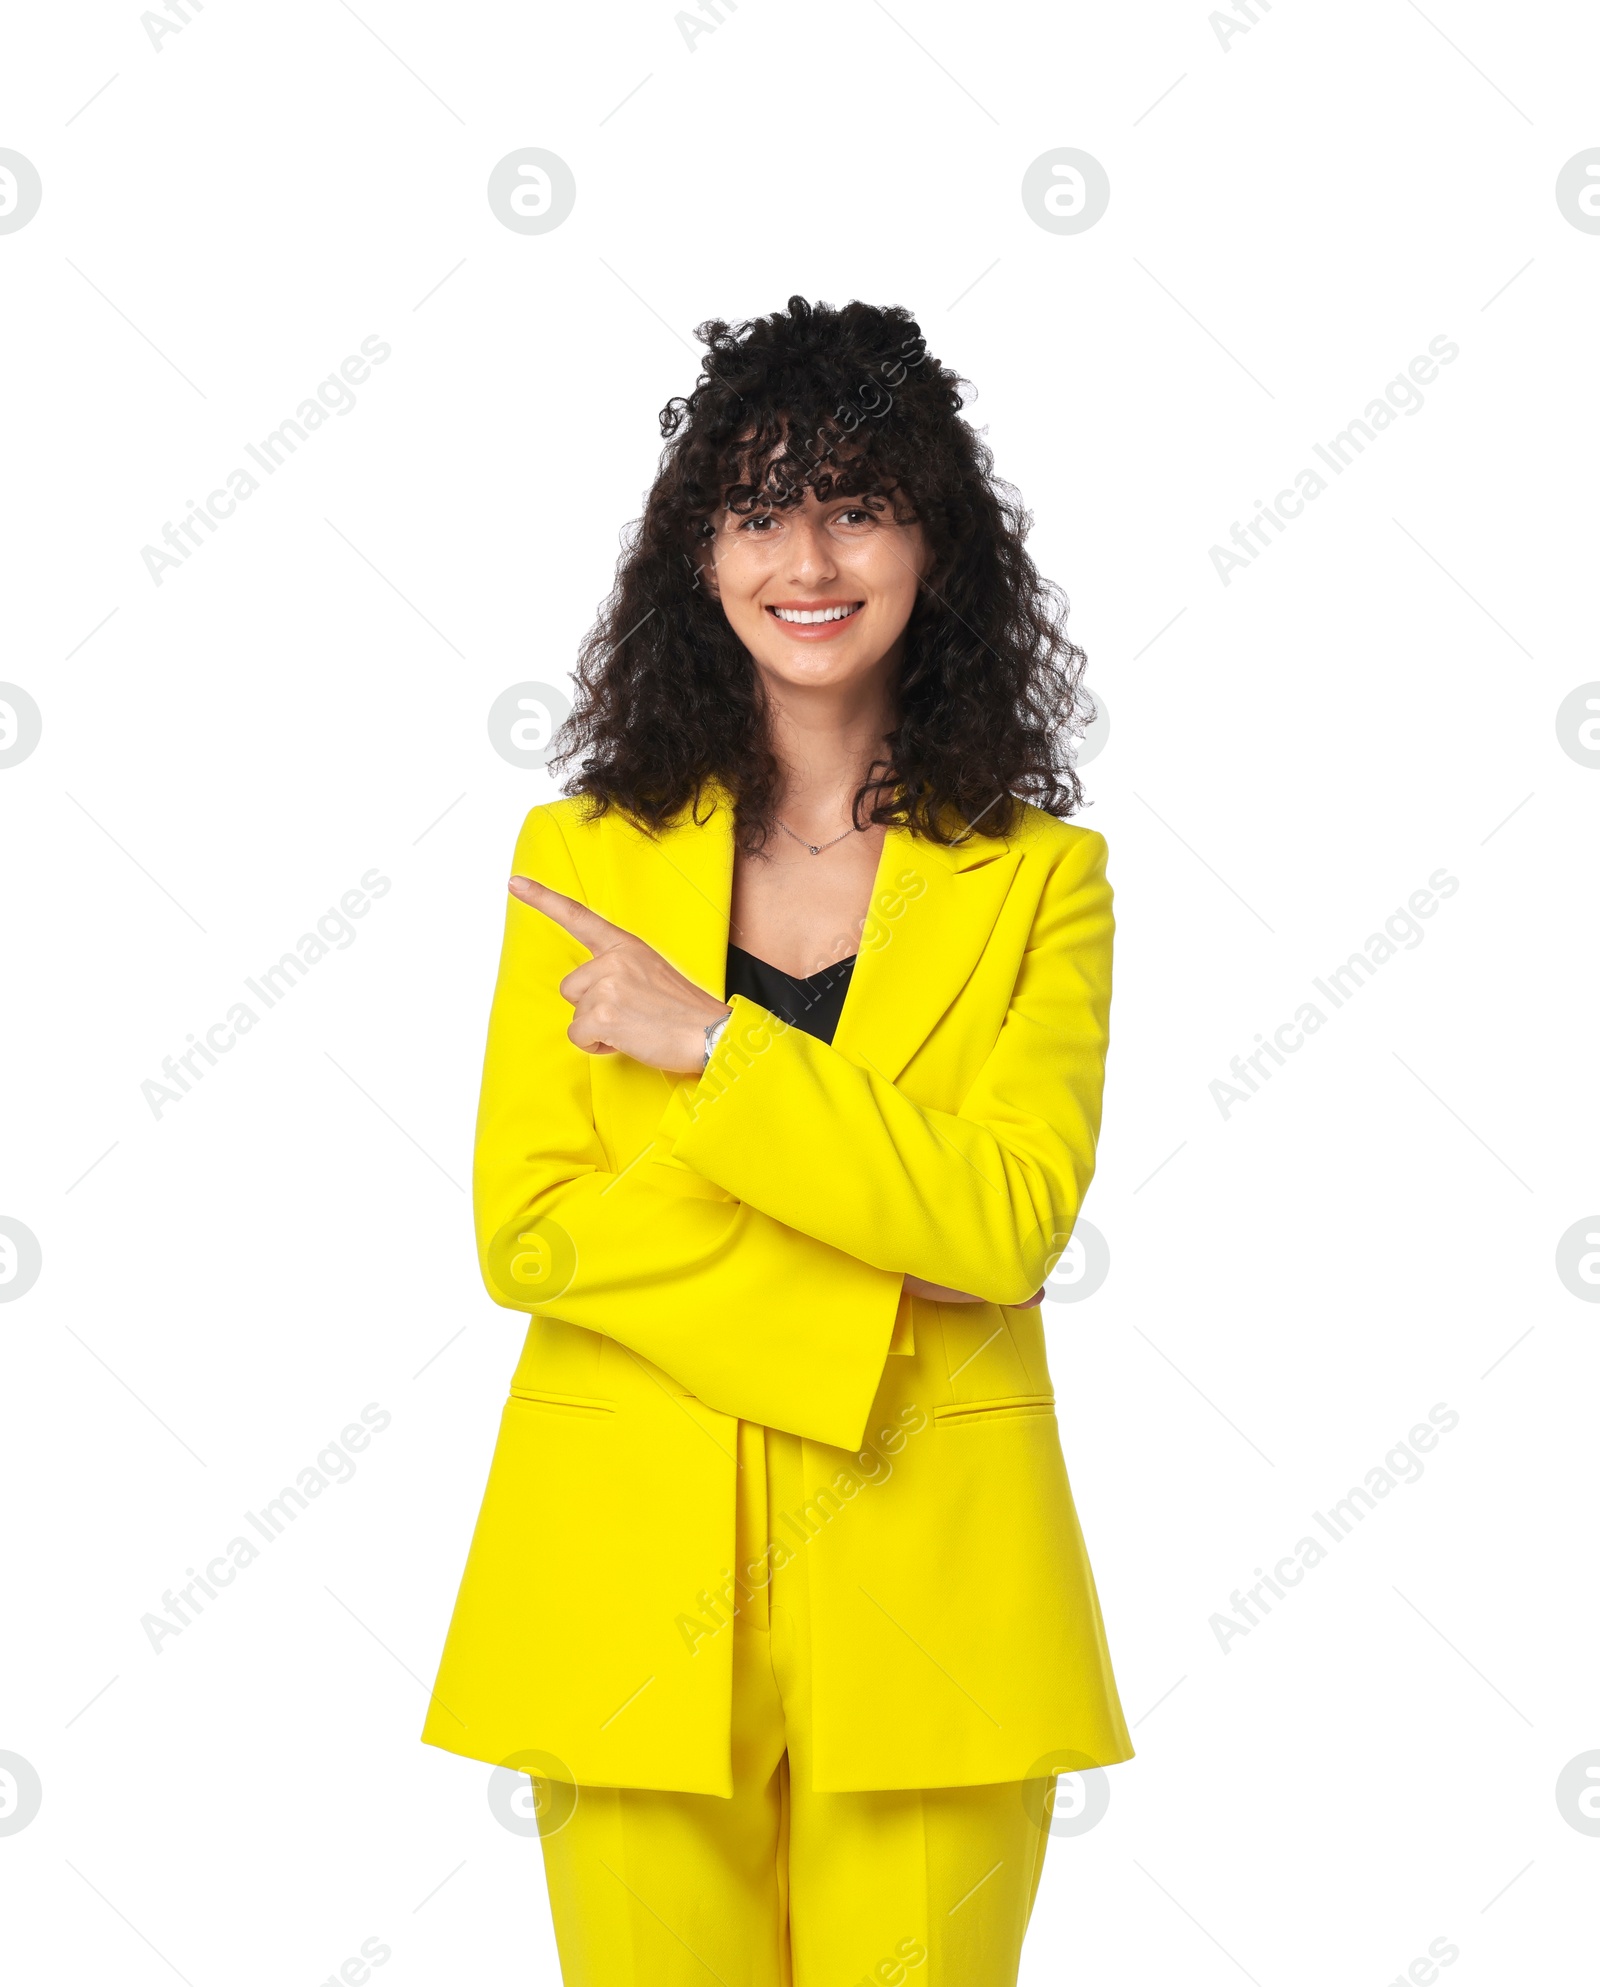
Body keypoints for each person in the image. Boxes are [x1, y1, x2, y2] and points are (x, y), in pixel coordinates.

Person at [423, 295, 1133, 1986]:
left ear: (936, 547)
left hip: (941, 1603)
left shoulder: (1044, 879)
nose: (806, 556)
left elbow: (1009, 1223)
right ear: (700, 555)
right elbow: (532, 1233)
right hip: (621, 1594)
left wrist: (714, 1055)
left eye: (859, 502)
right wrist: (867, 1287)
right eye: (756, 508)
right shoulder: (577, 861)